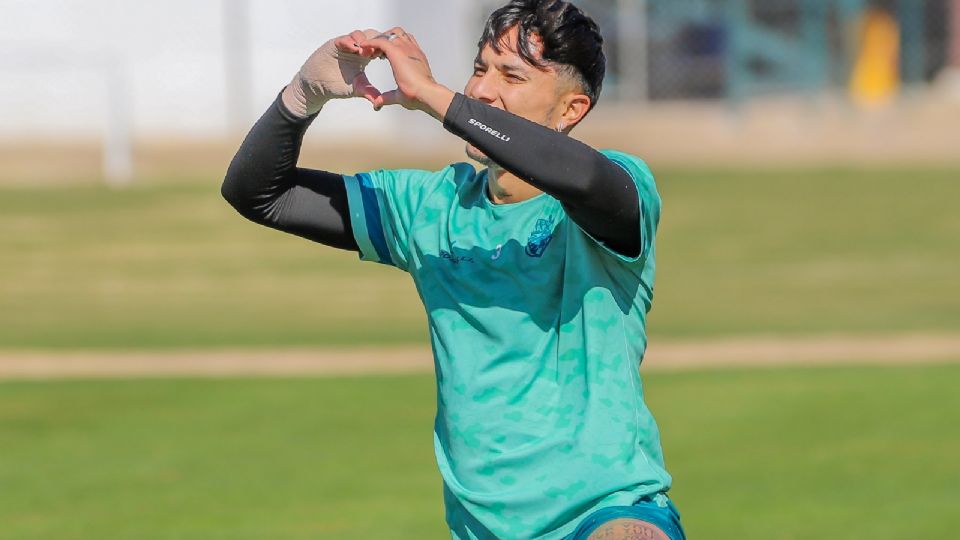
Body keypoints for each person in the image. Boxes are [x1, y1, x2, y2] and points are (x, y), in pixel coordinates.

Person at [222, 1, 684, 538]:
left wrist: (435, 98)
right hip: (483, 526)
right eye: (481, 68)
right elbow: (259, 193)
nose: (483, 89)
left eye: (512, 75)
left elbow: (581, 178)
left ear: (571, 109)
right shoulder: (428, 206)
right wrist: (304, 94)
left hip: (607, 509)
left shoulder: (619, 188)